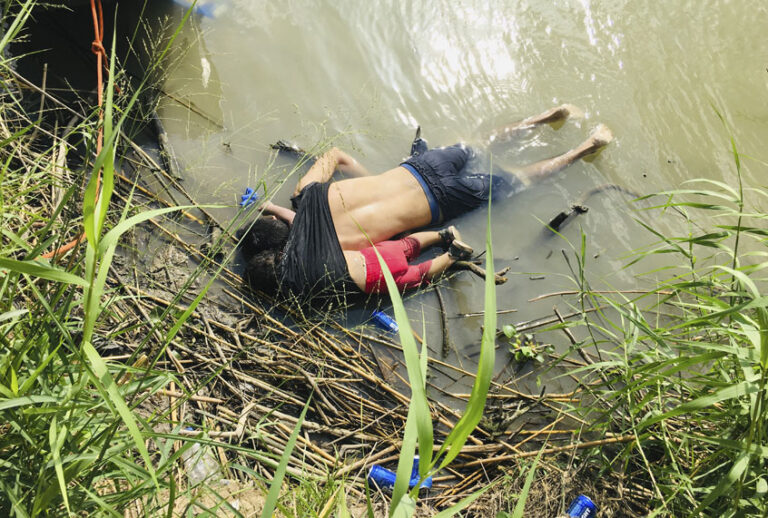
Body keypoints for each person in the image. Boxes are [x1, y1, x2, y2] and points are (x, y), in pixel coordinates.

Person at [238, 104, 613, 302]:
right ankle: (550, 116)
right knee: (477, 144)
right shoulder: (307, 192)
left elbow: (398, 255)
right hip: (419, 169)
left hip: (442, 202)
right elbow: (336, 154)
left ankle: (586, 147)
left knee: (520, 179)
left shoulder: (338, 252)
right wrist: (378, 183)